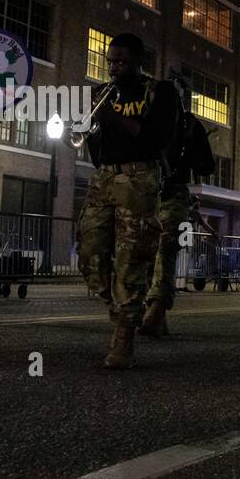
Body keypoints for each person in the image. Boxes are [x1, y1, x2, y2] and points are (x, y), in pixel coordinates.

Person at [76, 33, 178, 368]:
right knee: (90, 253)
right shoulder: (100, 94)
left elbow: (156, 138)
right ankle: (120, 309)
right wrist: (92, 125)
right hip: (104, 176)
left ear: (138, 61)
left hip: (139, 178)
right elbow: (92, 144)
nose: (114, 67)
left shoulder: (158, 92)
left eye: (121, 61)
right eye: (110, 61)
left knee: (131, 260)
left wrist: (113, 118)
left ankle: (123, 335)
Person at [142, 74, 214, 337]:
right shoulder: (148, 122)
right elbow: (206, 166)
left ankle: (157, 308)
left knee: (164, 249)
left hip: (171, 195)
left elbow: (206, 165)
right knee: (152, 252)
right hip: (151, 193)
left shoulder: (188, 125)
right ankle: (154, 311)